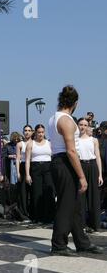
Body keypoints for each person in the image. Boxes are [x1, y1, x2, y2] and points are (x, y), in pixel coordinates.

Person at [48, 85, 102, 256]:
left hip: (60, 161)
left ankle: (82, 242)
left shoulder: (54, 118)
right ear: (75, 103)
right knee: (66, 205)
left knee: (76, 205)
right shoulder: (66, 120)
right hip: (65, 162)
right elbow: (71, 151)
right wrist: (82, 177)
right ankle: (58, 244)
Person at [25, 125, 55, 224]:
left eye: (42, 132)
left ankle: (49, 217)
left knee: (49, 192)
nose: (40, 134)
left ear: (44, 132)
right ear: (35, 133)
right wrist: (27, 174)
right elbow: (27, 160)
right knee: (37, 192)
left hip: (48, 168)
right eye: (39, 132)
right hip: (35, 168)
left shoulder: (49, 143)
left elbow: (54, 157)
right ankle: (38, 217)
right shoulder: (31, 144)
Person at [78, 118, 103, 232]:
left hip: (92, 166)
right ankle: (81, 224)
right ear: (77, 125)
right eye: (81, 124)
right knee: (81, 197)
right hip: (80, 166)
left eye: (85, 125)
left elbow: (98, 157)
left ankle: (95, 224)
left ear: (88, 126)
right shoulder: (74, 140)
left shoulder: (94, 140)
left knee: (94, 196)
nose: (83, 126)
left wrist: (100, 175)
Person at [15, 125, 34, 221]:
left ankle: (33, 212)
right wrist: (17, 172)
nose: (27, 132)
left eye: (29, 130)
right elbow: (18, 158)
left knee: (32, 191)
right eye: (25, 130)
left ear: (32, 132)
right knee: (23, 191)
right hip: (22, 167)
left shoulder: (35, 143)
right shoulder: (20, 144)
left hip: (33, 166)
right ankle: (23, 213)